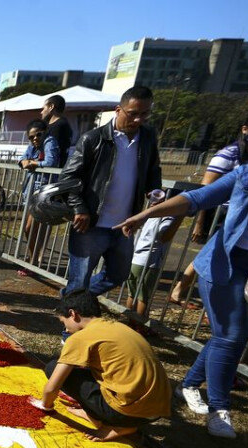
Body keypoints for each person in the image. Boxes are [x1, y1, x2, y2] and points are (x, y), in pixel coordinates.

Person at [115, 113, 248, 439]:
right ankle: (219, 409)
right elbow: (197, 198)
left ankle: (190, 384)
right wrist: (147, 213)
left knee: (235, 334)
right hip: (228, 264)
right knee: (232, 335)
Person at [58, 86, 162, 297]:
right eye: (132, 114)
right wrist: (80, 208)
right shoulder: (93, 139)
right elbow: (68, 178)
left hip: (124, 224)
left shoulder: (148, 138)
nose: (138, 120)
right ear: (118, 109)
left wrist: (154, 191)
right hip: (91, 224)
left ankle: (74, 301)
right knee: (79, 280)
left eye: (144, 114)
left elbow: (153, 170)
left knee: (118, 274)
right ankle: (71, 322)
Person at [32, 290, 171, 441]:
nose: (66, 329)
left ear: (73, 314)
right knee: (85, 370)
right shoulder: (117, 327)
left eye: (64, 323)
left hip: (126, 414)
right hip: (157, 411)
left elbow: (52, 387)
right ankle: (98, 415)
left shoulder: (80, 338)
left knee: (53, 368)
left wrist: (45, 405)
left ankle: (111, 425)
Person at [170, 109, 248, 303]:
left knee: (214, 253)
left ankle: (183, 289)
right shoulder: (229, 154)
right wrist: (201, 222)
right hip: (222, 214)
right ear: (245, 129)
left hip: (246, 216)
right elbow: (205, 190)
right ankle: (189, 290)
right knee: (214, 254)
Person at [19, 119, 61, 269]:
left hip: (44, 192)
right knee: (34, 228)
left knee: (31, 228)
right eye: (31, 137)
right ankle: (34, 259)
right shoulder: (32, 147)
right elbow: (22, 159)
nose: (35, 138)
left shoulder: (50, 141)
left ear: (45, 132)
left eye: (38, 134)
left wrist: (33, 163)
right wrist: (25, 161)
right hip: (33, 191)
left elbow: (50, 162)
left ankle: (33, 261)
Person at [42, 95, 73, 167]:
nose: (41, 112)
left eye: (43, 108)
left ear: (51, 107)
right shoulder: (51, 125)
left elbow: (54, 153)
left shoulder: (60, 126)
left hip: (50, 172)